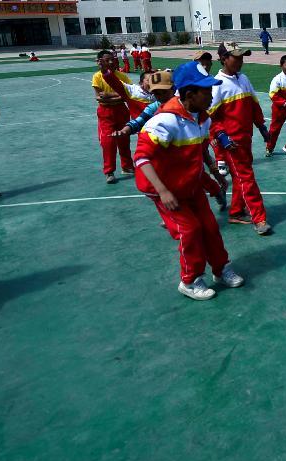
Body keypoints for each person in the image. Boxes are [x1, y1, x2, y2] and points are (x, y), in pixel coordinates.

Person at [134, 61, 245, 300]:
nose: (211, 95)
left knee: (210, 226)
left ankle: (220, 268)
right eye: (206, 91)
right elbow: (141, 159)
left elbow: (200, 151)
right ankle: (190, 280)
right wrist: (163, 191)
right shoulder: (164, 121)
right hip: (164, 188)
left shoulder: (202, 118)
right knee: (190, 230)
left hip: (189, 184)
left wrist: (215, 177)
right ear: (189, 94)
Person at [111, 70, 228, 212]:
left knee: (202, 177)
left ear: (173, 89)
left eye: (163, 92)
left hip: (189, 156)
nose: (160, 96)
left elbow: (203, 147)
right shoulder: (157, 110)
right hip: (174, 158)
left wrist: (215, 171)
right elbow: (139, 121)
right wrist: (125, 130)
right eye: (156, 93)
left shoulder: (191, 108)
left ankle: (217, 193)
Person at [208, 42, 273, 236]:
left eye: (241, 57)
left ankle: (236, 212)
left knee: (240, 177)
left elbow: (254, 105)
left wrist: (262, 127)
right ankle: (259, 218)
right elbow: (209, 117)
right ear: (223, 59)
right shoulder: (216, 85)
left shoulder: (243, 78)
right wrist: (222, 136)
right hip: (231, 143)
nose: (240, 61)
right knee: (246, 177)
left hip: (246, 139)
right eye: (235, 57)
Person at [91, 50, 134, 184]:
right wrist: (117, 96)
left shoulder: (122, 76)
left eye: (112, 59)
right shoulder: (97, 77)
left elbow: (127, 95)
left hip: (122, 111)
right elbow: (99, 97)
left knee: (124, 138)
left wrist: (109, 96)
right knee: (108, 142)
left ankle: (127, 166)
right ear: (99, 61)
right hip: (105, 112)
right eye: (107, 60)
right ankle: (109, 171)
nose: (111, 62)